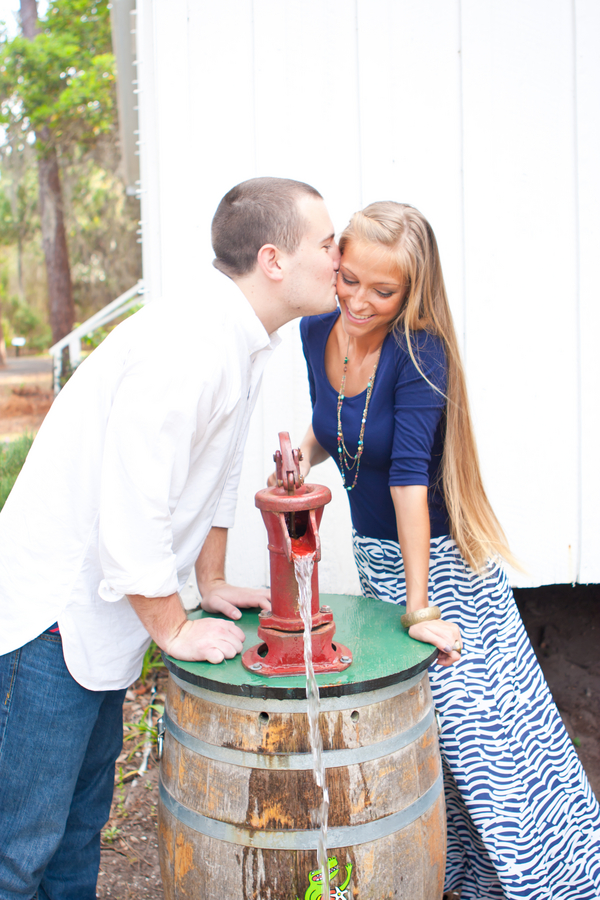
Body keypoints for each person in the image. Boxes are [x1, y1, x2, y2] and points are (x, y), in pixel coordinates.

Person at [0, 176, 341, 900]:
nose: (339, 258)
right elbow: (131, 503)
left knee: (78, 828)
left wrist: (210, 580)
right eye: (328, 243)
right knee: (18, 850)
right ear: (275, 260)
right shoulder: (192, 343)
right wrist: (174, 626)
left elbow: (213, 475)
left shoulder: (242, 337)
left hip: (99, 621)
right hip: (51, 626)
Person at [297, 201, 600, 900]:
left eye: (385, 290)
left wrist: (419, 606)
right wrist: (297, 459)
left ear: (412, 290)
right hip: (381, 562)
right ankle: (460, 876)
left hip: (440, 569)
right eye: (350, 280)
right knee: (425, 735)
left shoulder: (419, 351)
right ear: (335, 262)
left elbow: (409, 481)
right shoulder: (316, 332)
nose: (362, 301)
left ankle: (557, 880)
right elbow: (333, 424)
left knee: (489, 745)